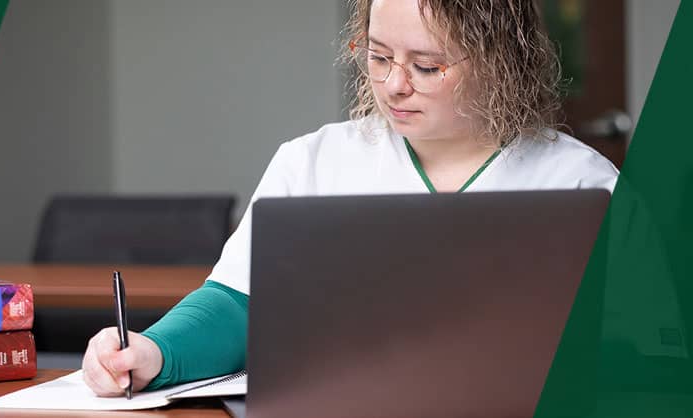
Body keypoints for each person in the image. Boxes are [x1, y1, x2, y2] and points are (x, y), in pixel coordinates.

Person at [82, 0, 618, 396]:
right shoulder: (314, 160)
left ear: (501, 62)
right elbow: (237, 302)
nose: (394, 85)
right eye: (379, 56)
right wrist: (152, 351)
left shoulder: (584, 183)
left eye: (427, 67)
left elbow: (641, 347)